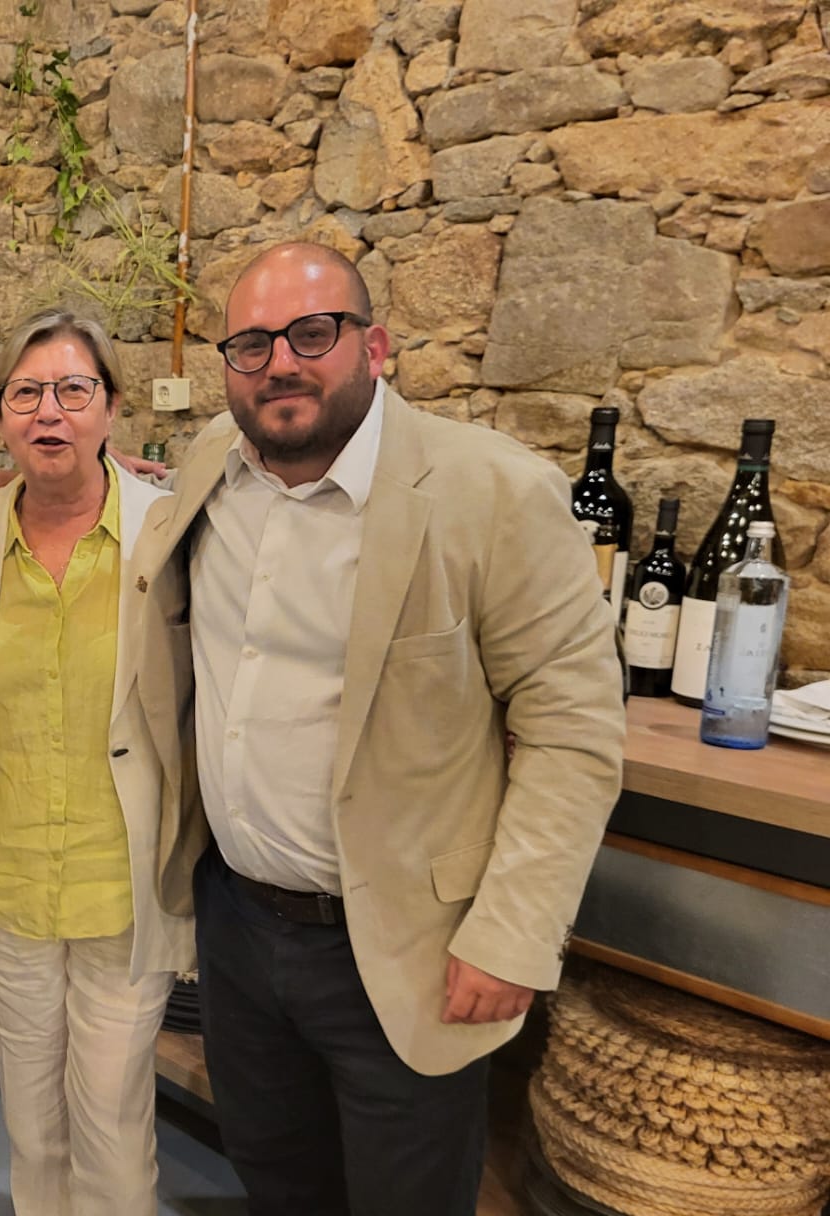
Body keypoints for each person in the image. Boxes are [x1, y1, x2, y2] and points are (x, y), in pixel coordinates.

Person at [132, 243, 625, 1215]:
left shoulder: (493, 492)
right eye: (250, 344)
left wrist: (513, 935)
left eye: (312, 333)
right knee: (276, 1182)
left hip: (404, 948)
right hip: (237, 928)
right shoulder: (209, 468)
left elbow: (572, 729)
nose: (279, 362)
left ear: (375, 345)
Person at [0, 308, 194, 1215]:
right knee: (33, 1126)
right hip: (7, 884)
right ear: (0, 414)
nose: (50, 412)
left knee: (113, 1128)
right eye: (27, 393)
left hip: (122, 886)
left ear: (112, 407)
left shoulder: (169, 529)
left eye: (75, 390)